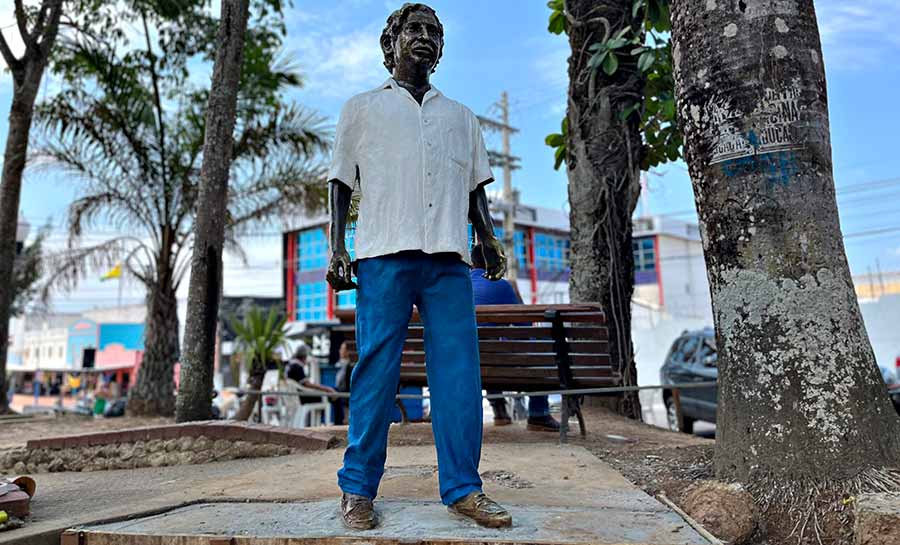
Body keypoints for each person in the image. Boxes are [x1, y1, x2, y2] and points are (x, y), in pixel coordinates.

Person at [325, 3, 512, 530]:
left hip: (450, 259)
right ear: (393, 42)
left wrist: (490, 239)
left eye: (435, 32)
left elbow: (475, 190)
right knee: (376, 372)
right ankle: (358, 488)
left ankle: (464, 489)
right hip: (383, 253)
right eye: (415, 29)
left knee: (458, 373)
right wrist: (337, 248)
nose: (425, 38)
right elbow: (340, 183)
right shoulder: (360, 108)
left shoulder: (462, 117)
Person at [471, 244, 561, 433]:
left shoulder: (459, 285)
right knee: (540, 347)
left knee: (485, 348)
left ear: (472, 263)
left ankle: (500, 411)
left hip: (463, 360)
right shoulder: (501, 285)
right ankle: (538, 414)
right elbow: (525, 328)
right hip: (492, 359)